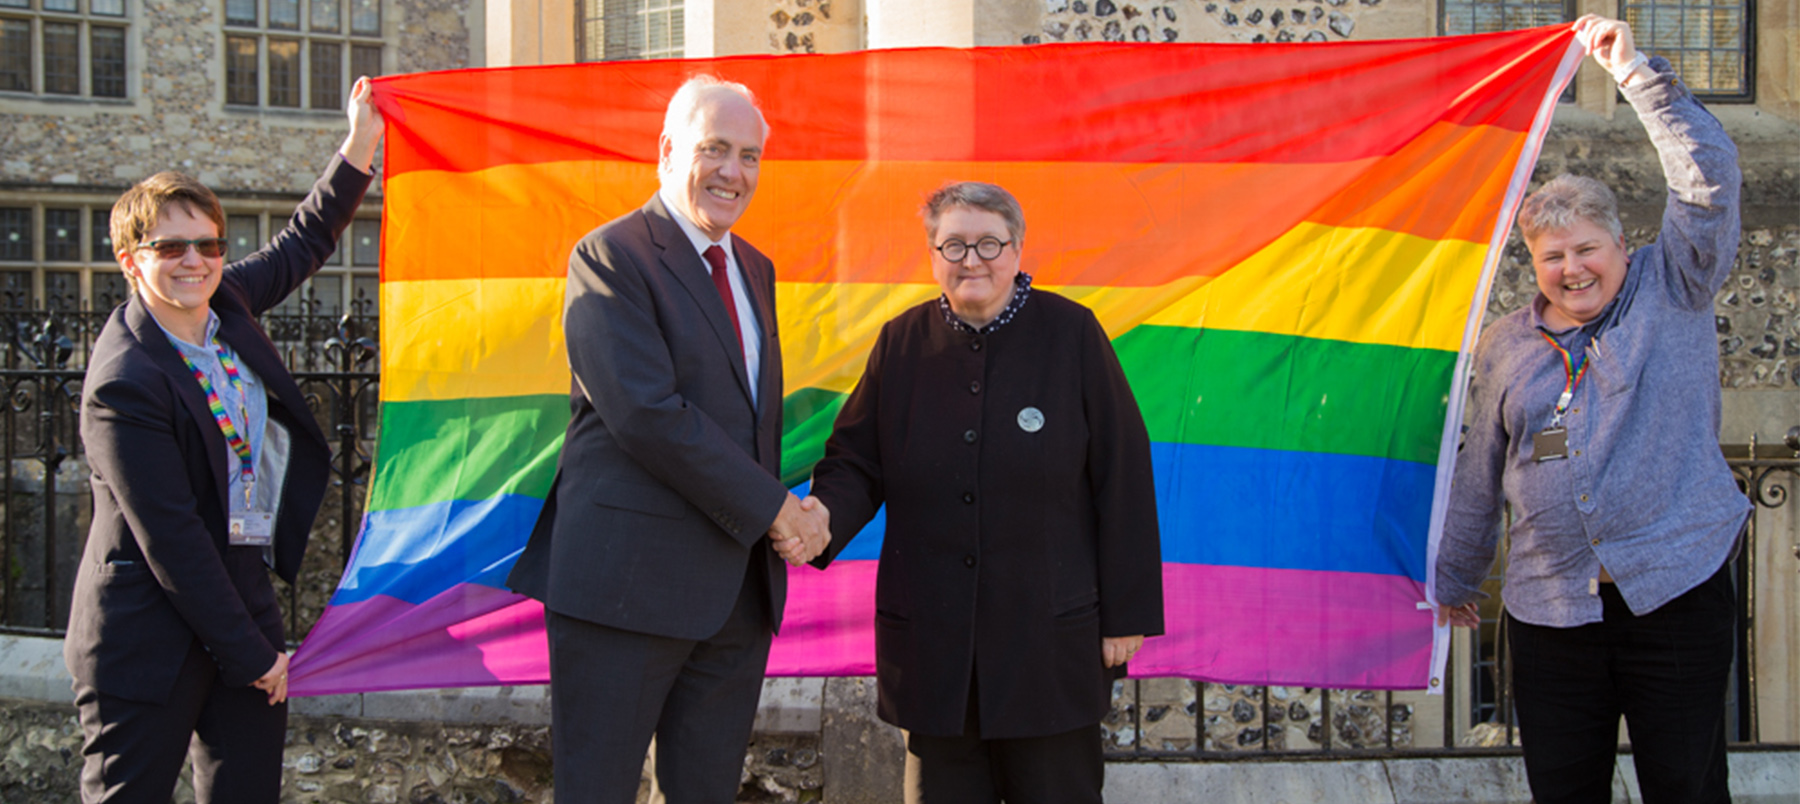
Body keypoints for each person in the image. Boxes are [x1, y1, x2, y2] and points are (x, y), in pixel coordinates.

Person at [1435, 16, 1746, 804]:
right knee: (1563, 790)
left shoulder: (1673, 284)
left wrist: (1639, 78)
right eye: (1552, 257)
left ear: (1620, 244)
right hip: (1550, 609)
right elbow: (1482, 467)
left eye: (1586, 250)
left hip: (1674, 592)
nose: (1572, 269)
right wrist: (1455, 576)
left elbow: (1709, 180)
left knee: (1686, 786)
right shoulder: (1510, 341)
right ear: (1533, 263)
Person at [505, 75, 831, 803]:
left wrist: (795, 512)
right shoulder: (610, 255)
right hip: (625, 588)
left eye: (748, 156)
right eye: (714, 148)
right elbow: (647, 413)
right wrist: (779, 509)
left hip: (735, 594)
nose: (732, 172)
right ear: (666, 150)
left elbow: (747, 423)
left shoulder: (755, 269)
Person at [63, 77, 384, 803]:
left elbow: (301, 242)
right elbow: (171, 536)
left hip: (240, 607)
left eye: (207, 243)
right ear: (130, 259)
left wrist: (360, 141)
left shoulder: (225, 305)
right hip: (145, 638)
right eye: (170, 246)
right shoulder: (124, 381)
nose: (194, 260)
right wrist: (253, 655)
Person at [807, 182, 1165, 803]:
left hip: (1049, 647)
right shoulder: (900, 343)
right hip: (935, 652)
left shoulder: (1072, 334)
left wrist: (1127, 615)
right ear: (932, 255)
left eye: (989, 243)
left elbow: (1123, 472)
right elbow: (857, 463)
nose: (972, 259)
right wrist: (819, 518)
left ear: (1019, 249)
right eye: (954, 245)